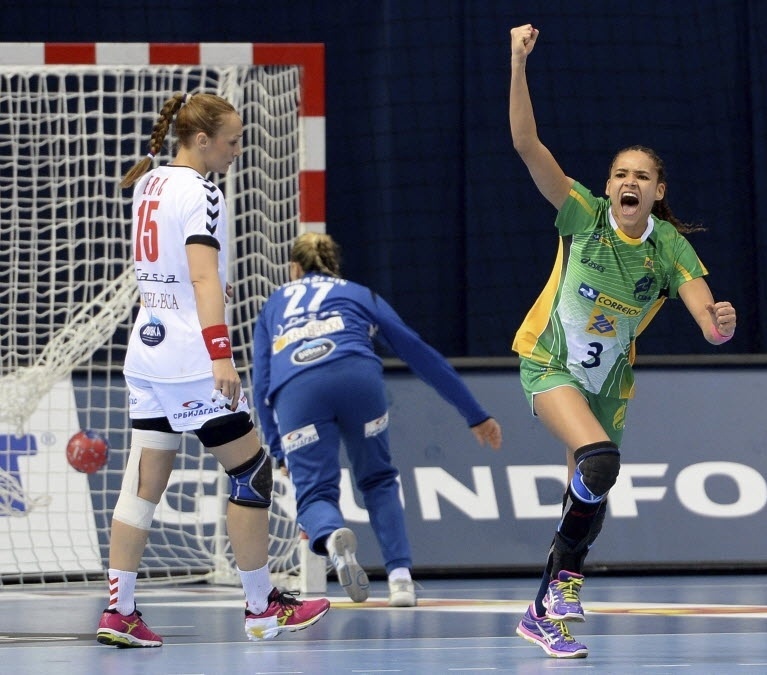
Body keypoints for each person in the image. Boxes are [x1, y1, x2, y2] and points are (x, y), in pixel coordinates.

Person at [509, 25, 737, 659]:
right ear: (609, 188)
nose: (629, 181)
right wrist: (517, 62)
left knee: (589, 488)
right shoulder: (582, 215)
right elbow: (525, 142)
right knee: (599, 461)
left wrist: (720, 320)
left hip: (608, 378)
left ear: (657, 192)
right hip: (549, 359)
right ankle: (563, 585)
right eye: (620, 174)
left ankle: (541, 608)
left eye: (642, 175)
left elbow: (708, 325)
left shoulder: (668, 249)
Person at [97, 92, 331, 648]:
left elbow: (177, 270)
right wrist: (220, 353)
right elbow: (203, 278)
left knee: (145, 480)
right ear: (201, 140)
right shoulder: (201, 191)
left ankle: (118, 611)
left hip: (147, 350)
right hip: (189, 358)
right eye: (232, 140)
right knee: (251, 470)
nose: (237, 149)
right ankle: (261, 607)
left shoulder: (150, 181)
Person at [251, 231, 503, 608]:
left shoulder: (275, 304)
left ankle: (333, 536)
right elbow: (417, 350)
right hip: (358, 380)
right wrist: (474, 413)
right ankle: (400, 578)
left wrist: (277, 449)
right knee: (378, 478)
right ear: (335, 266)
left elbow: (261, 380)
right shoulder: (357, 293)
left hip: (299, 389)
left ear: (293, 268)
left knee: (316, 493)